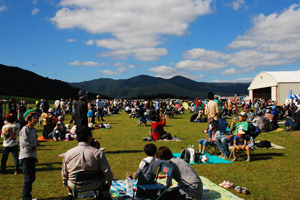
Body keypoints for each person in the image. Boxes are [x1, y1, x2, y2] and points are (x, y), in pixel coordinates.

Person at [62, 125, 113, 200]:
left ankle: (70, 194)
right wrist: (108, 185)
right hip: (95, 184)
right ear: (89, 137)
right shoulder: (97, 153)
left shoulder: (68, 153)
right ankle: (101, 195)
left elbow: (64, 174)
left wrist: (66, 185)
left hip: (74, 184)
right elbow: (107, 172)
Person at [19, 109, 39, 200]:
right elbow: (24, 142)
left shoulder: (34, 130)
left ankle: (28, 196)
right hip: (25, 156)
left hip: (32, 156)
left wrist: (35, 145)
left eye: (36, 117)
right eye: (34, 118)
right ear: (28, 119)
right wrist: (32, 147)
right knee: (28, 178)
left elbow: (33, 141)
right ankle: (25, 197)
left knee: (32, 177)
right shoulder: (24, 129)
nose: (36, 119)